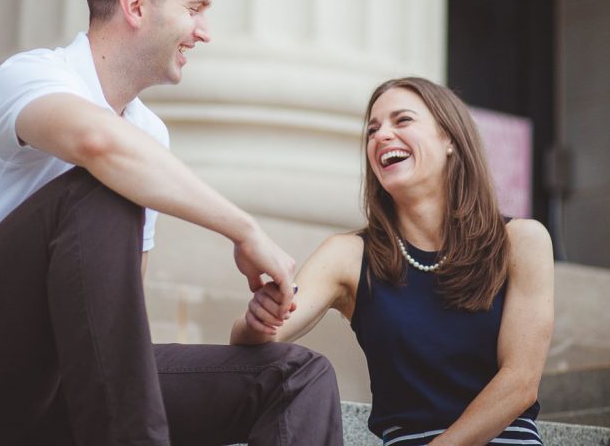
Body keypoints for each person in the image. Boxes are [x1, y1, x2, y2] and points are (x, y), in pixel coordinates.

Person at [0, 0, 343, 446]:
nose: (204, 32)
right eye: (194, 10)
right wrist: (244, 229)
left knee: (296, 375)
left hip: (58, 379)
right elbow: (98, 146)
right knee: (104, 186)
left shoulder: (149, 133)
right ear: (136, 6)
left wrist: (251, 333)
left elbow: (114, 312)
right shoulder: (31, 76)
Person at [232, 76, 554, 446]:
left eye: (402, 121)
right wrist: (257, 320)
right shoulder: (347, 255)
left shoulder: (522, 241)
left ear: (449, 138)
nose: (381, 136)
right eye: (372, 130)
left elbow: (520, 382)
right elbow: (253, 344)